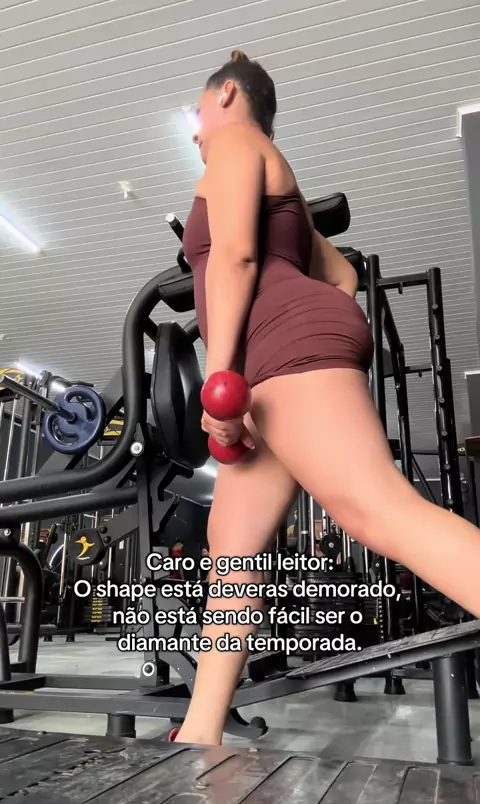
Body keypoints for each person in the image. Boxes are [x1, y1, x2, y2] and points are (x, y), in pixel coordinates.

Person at [171, 49, 480, 746]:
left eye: (198, 112)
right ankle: (198, 733)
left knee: (378, 511)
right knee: (233, 553)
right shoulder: (275, 182)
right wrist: (298, 329)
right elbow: (341, 276)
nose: (195, 130)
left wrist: (222, 383)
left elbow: (235, 257)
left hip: (272, 356)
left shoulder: (236, 142)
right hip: (271, 361)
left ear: (228, 95)